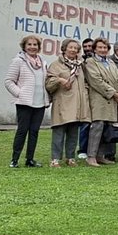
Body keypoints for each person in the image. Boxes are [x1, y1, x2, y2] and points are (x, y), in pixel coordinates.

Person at [4, 35, 49, 168]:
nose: (32, 47)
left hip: (39, 103)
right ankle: (15, 159)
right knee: (22, 131)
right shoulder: (18, 61)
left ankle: (30, 159)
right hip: (24, 103)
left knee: (34, 132)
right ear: (24, 46)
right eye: (29, 44)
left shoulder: (43, 63)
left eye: (35, 45)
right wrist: (20, 93)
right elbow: (8, 81)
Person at [44, 38, 89, 167]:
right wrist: (60, 80)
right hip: (62, 103)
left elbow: (85, 83)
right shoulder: (56, 65)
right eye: (71, 47)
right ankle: (55, 159)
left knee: (73, 132)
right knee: (59, 131)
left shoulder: (80, 66)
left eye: (76, 48)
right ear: (64, 49)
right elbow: (48, 84)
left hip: (77, 103)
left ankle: (70, 158)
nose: (73, 50)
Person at [84, 37, 118, 166]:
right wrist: (113, 93)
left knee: (107, 127)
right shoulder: (90, 62)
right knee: (97, 126)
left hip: (113, 100)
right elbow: (96, 81)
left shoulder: (111, 62)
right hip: (100, 99)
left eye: (105, 47)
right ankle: (91, 156)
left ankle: (100, 155)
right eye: (100, 47)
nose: (103, 50)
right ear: (95, 49)